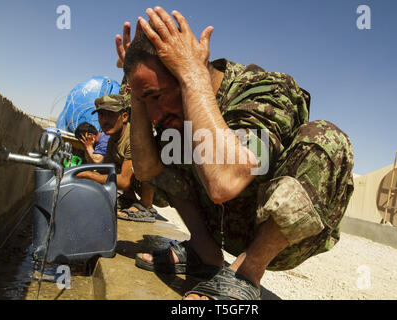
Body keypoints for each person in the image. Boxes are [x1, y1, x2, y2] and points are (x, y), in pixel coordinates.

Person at [117, 7, 354, 300]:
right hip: (217, 227)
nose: (153, 114)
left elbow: (224, 183)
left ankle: (246, 274)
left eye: (156, 96)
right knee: (168, 141)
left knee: (326, 137)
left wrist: (193, 74)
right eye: (145, 102)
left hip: (273, 232)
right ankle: (205, 252)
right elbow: (145, 170)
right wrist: (136, 90)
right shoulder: (167, 118)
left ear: (184, 72)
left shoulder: (262, 89)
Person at [76, 94, 158, 222]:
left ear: (124, 117)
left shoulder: (134, 137)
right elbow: (106, 170)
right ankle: (129, 199)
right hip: (140, 183)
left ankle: (146, 206)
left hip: (163, 189)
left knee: (145, 155)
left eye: (110, 115)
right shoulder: (112, 139)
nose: (105, 120)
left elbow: (124, 182)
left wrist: (88, 175)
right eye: (101, 115)